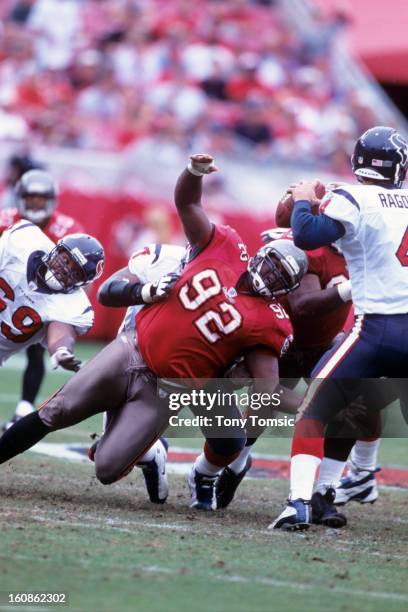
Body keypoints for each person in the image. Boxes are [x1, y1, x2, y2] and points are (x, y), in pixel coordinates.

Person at [0, 154, 307, 512]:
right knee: (56, 411)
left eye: (280, 278)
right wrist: (192, 173)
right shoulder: (221, 246)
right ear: (260, 255)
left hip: (170, 387)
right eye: (271, 266)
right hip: (131, 349)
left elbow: (265, 387)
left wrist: (312, 405)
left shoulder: (271, 320)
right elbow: (187, 202)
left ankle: (166, 455)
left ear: (287, 288)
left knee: (106, 466)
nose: (269, 277)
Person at [271, 125, 408, 530]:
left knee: (314, 408)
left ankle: (298, 503)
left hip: (377, 331)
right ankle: (327, 492)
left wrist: (300, 201)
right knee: (354, 406)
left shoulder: (355, 196)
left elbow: (307, 233)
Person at [0, 169, 85, 431]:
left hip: (42, 298)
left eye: (41, 197)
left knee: (36, 347)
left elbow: (77, 276)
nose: (36, 203)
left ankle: (25, 406)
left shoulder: (68, 229)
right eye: (31, 197)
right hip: (7, 288)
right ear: (20, 198)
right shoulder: (8, 222)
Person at [0, 219, 104, 375]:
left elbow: (61, 332)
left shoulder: (73, 305)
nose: (65, 269)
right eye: (66, 260)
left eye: (75, 272)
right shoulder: (25, 240)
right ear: (57, 250)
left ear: (81, 283)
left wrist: (61, 351)